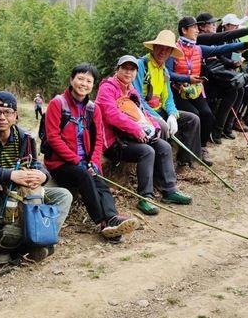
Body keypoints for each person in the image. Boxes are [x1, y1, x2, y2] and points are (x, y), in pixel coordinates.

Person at [0, 91, 72, 265]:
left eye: (8, 112)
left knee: (64, 195)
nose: (2, 117)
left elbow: (34, 163)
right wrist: (10, 175)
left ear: (16, 116)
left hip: (22, 190)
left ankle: (38, 239)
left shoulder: (25, 138)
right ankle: (3, 246)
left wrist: (42, 175)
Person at [44, 64, 139, 242]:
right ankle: (102, 222)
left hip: (85, 161)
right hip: (60, 163)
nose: (84, 84)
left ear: (93, 85)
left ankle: (112, 218)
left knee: (99, 180)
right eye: (80, 79)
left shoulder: (93, 108)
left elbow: (98, 139)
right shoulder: (58, 103)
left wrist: (94, 162)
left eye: (89, 81)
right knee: (84, 175)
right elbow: (53, 138)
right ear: (71, 80)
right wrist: (76, 160)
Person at [96, 55, 192, 215]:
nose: (128, 72)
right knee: (147, 151)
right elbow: (111, 114)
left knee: (164, 146)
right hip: (114, 141)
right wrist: (135, 129)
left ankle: (169, 190)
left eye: (132, 69)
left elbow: (143, 111)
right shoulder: (107, 88)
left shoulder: (131, 89)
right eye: (124, 68)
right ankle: (145, 197)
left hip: (130, 136)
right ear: (117, 69)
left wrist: (154, 127)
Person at [168, 16, 248, 149]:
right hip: (177, 91)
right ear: (184, 30)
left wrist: (243, 45)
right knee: (195, 115)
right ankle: (188, 153)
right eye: (194, 27)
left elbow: (219, 50)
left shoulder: (197, 48)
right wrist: (187, 79)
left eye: (197, 27)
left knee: (207, 115)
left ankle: (202, 147)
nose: (197, 31)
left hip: (195, 89)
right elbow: (168, 74)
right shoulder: (173, 50)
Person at [132, 30, 205, 168]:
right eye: (160, 47)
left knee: (192, 119)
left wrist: (172, 114)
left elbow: (168, 97)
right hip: (144, 113)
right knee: (164, 127)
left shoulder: (164, 70)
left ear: (171, 53)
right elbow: (137, 98)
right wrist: (155, 117)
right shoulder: (142, 65)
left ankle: (185, 161)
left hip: (160, 110)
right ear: (154, 47)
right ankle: (161, 171)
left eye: (167, 49)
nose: (162, 52)